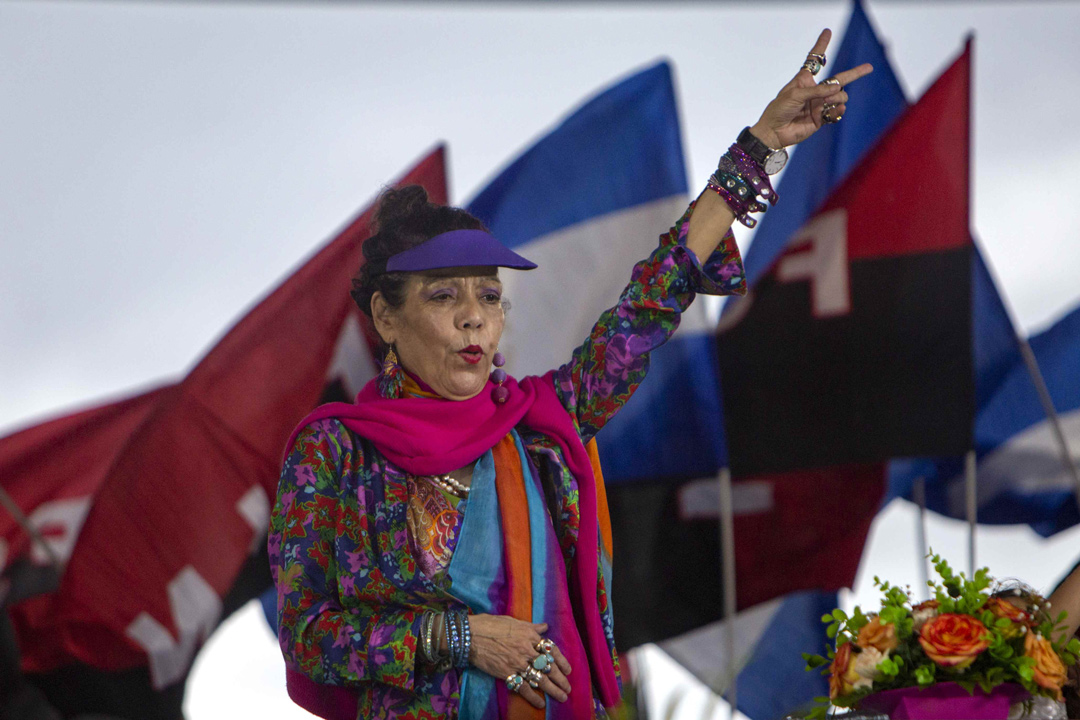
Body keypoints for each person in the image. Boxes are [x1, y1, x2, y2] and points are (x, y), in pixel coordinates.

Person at [268, 29, 872, 720]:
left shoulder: (538, 425)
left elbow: (654, 296)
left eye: (489, 297)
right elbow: (309, 637)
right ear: (386, 316)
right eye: (444, 297)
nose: (475, 319)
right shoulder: (335, 450)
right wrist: (461, 638)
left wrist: (761, 145)